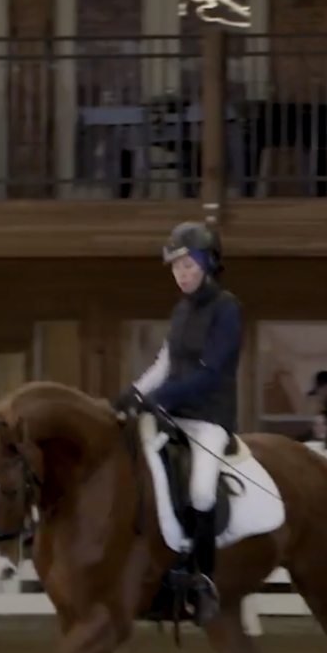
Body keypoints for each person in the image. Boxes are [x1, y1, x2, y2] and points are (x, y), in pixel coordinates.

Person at [114, 221, 243, 625]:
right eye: (176, 268)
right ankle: (159, 569)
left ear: (207, 264)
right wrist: (132, 395)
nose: (182, 274)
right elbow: (165, 364)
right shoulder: (180, 310)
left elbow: (211, 371)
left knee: (202, 491)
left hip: (210, 418)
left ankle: (205, 581)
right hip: (174, 417)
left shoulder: (227, 309)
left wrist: (159, 399)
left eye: (188, 265)